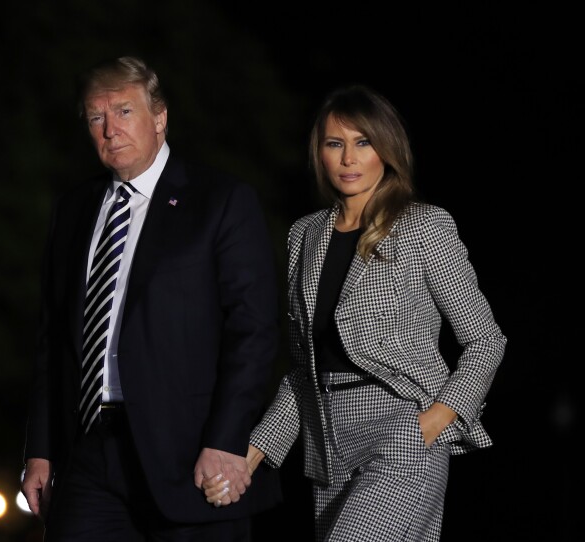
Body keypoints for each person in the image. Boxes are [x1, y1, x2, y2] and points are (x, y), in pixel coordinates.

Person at [203, 84, 507, 541]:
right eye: (335, 143)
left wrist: (431, 423)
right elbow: (305, 371)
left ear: (386, 150)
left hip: (401, 429)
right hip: (328, 443)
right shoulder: (304, 236)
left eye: (363, 142)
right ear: (320, 153)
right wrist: (249, 455)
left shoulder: (424, 226)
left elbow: (486, 340)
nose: (348, 158)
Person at [20, 55, 282, 541]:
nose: (109, 129)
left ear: (159, 118)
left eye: (124, 112)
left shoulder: (220, 200)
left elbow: (253, 331)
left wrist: (226, 441)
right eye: (96, 117)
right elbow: (53, 338)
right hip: (90, 453)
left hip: (188, 455)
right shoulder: (74, 210)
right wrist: (41, 449)